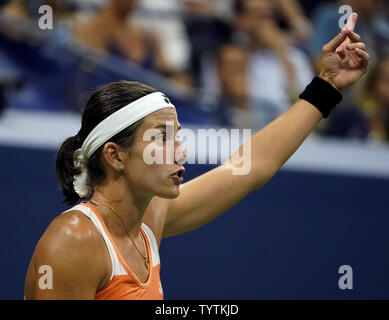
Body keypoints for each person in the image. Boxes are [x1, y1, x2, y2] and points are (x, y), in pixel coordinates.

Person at [24, 14, 369, 299]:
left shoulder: (147, 221)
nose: (181, 152)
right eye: (162, 137)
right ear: (115, 155)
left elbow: (248, 168)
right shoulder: (74, 241)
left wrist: (327, 86)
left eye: (178, 136)